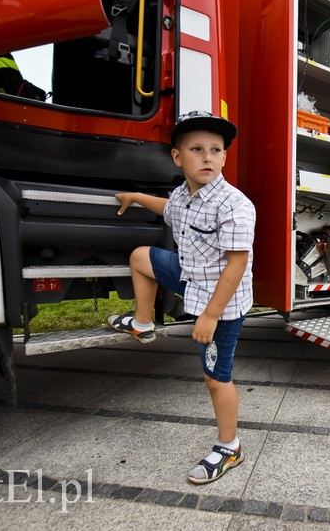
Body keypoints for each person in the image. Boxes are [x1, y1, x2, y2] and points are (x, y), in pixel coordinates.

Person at [107, 111, 256, 484]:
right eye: (196, 149)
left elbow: (236, 267)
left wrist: (208, 316)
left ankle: (229, 448)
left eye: (215, 150)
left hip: (221, 300)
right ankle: (144, 324)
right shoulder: (182, 196)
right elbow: (168, 208)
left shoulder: (234, 205)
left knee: (216, 378)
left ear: (224, 157)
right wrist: (138, 197)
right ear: (178, 157)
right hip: (192, 278)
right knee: (142, 257)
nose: (207, 157)